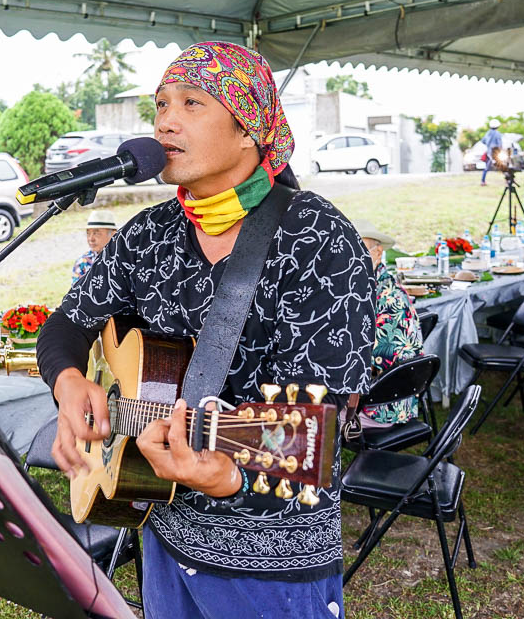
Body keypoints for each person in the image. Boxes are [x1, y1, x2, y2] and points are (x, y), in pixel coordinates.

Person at [37, 41, 374, 617]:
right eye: (161, 104)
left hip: (272, 563)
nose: (166, 120)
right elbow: (68, 323)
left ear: (249, 129)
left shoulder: (317, 240)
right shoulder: (148, 234)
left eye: (192, 103)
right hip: (163, 531)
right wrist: (70, 385)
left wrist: (226, 477)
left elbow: (307, 438)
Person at [354, 219, 427, 424]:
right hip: (391, 401)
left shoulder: (387, 299)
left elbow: (370, 362)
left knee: (314, 417)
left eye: (360, 250)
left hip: (381, 409)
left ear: (377, 253)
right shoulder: (375, 285)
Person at [70, 209, 118, 285]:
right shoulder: (83, 262)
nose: (91, 239)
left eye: (96, 233)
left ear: (113, 234)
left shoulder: (124, 257)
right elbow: (76, 293)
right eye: (88, 233)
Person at [480, 119, 503, 186]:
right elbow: (500, 144)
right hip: (495, 152)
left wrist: (488, 144)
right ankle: (508, 180)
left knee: (486, 168)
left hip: (488, 152)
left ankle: (482, 181)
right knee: (502, 165)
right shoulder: (497, 133)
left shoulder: (487, 133)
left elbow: (483, 141)